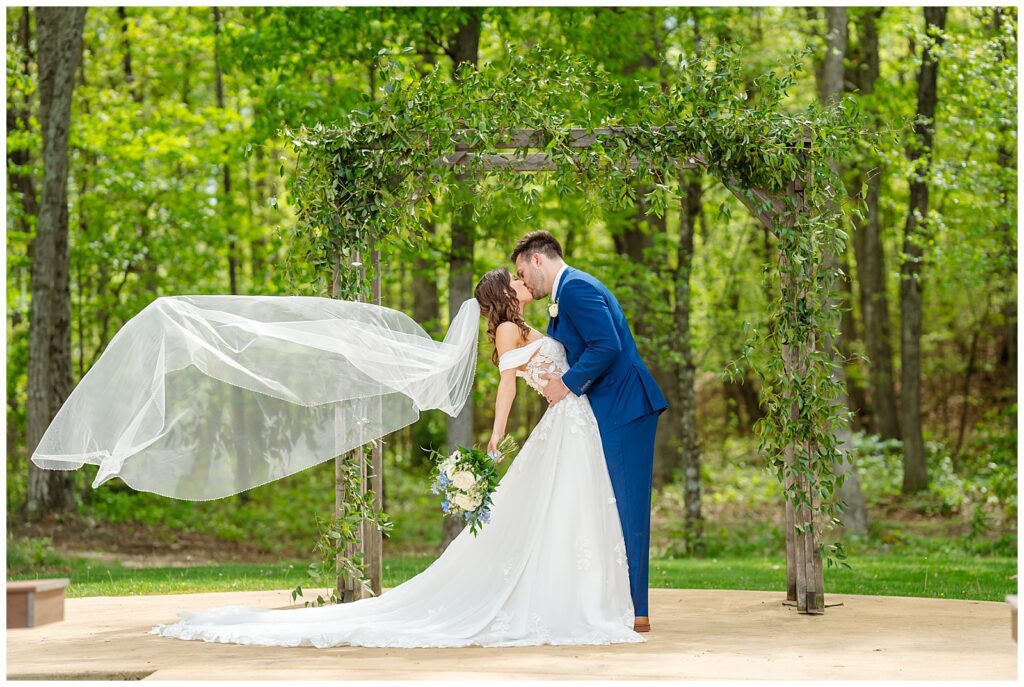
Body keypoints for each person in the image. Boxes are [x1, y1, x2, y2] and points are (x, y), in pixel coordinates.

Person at [148, 267, 643, 648]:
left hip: (571, 419)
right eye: (514, 280)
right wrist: (496, 436)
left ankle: (578, 595)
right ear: (504, 295)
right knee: (562, 504)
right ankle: (571, 602)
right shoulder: (510, 332)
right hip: (565, 420)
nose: (521, 281)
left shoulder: (526, 324)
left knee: (568, 507)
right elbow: (507, 389)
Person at [512, 231, 668, 633]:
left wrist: (566, 384)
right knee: (611, 506)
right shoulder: (565, 293)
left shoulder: (576, 288)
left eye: (522, 272)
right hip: (609, 408)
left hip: (626, 407)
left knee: (628, 507)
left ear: (538, 260)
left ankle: (638, 611)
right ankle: (620, 604)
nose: (524, 281)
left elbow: (607, 345)